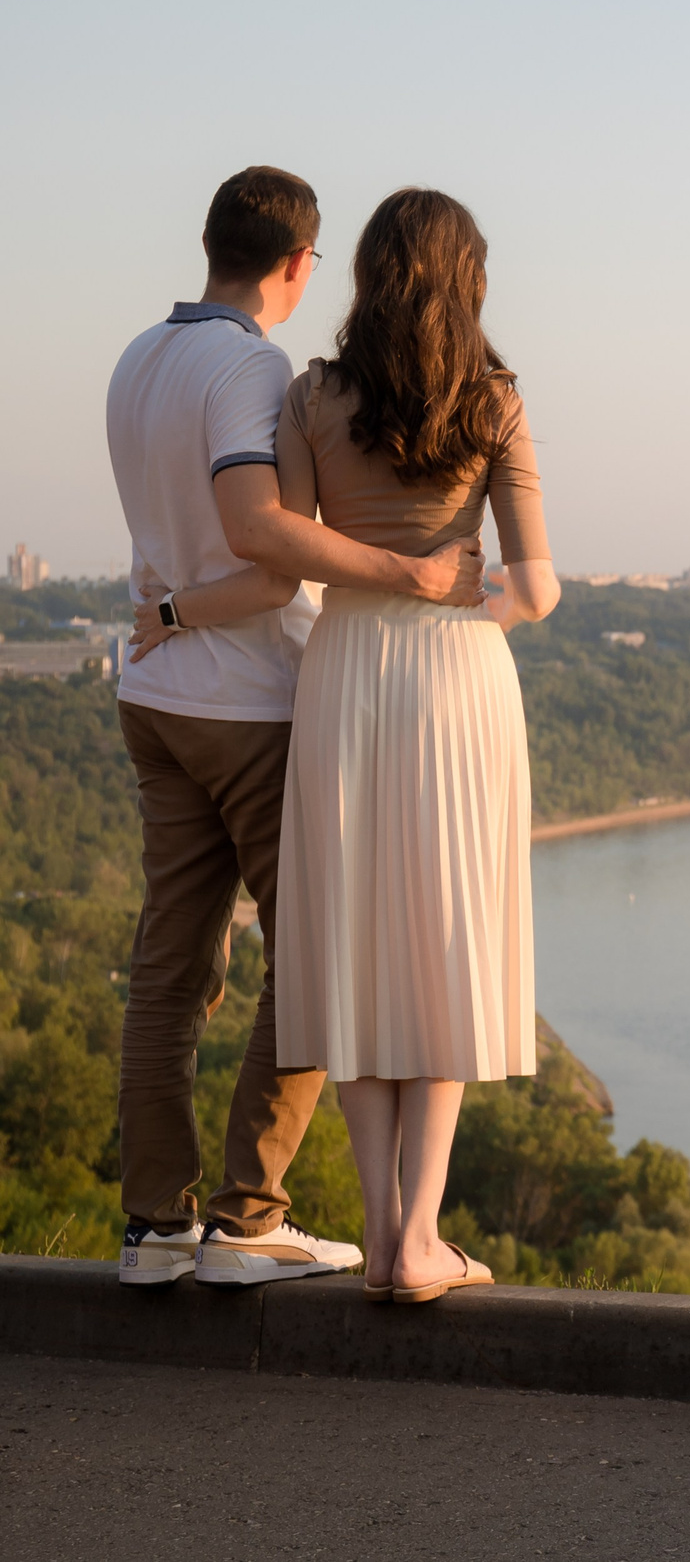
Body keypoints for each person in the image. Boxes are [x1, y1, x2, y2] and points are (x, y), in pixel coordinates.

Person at [109, 166, 486, 1286]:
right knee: (315, 957)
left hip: (156, 698)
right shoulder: (250, 365)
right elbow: (263, 543)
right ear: (296, 263)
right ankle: (246, 1217)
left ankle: (152, 1228)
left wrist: (172, 609)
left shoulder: (139, 357)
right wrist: (405, 574)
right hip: (250, 704)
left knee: (171, 965)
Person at [265, 187, 558, 1303]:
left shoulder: (310, 398)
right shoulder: (494, 402)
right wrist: (459, 610)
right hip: (455, 676)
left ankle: (382, 1229)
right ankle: (418, 1241)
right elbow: (536, 586)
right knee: (445, 947)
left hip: (343, 671)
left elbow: (292, 557)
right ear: (467, 278)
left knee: (357, 947)